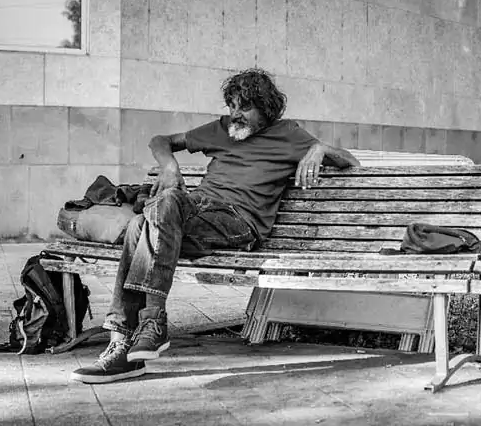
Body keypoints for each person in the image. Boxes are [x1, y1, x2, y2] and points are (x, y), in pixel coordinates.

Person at [70, 68, 360, 384]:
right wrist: (170, 166)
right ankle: (123, 347)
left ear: (267, 109)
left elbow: (350, 160)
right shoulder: (221, 130)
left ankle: (147, 325)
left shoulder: (289, 135)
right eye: (232, 106)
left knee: (156, 212)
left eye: (245, 107)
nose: (235, 114)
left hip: (238, 222)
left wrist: (319, 149)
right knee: (140, 223)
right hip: (195, 214)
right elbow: (160, 141)